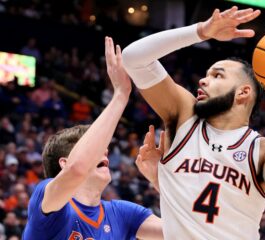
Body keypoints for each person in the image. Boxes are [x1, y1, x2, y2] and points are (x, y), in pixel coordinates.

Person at [123, 6, 265, 240]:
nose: (203, 80)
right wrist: (200, 31)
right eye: (207, 74)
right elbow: (133, 59)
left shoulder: (264, 149)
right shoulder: (185, 121)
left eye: (217, 75)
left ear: (243, 93)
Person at [22, 37, 163, 240]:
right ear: (64, 162)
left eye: (104, 148)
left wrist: (161, 182)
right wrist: (121, 94)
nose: (104, 150)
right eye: (97, 149)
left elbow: (187, 232)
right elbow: (77, 169)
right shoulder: (46, 197)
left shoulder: (123, 213)